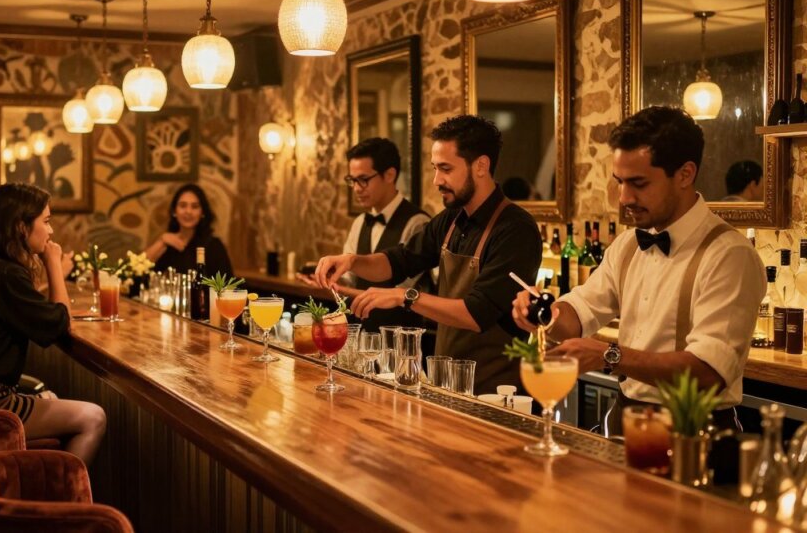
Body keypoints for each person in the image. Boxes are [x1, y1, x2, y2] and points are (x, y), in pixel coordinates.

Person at [512, 106, 765, 433]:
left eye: (639, 183)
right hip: (624, 421)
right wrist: (543, 313)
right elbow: (579, 311)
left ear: (685, 174)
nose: (624, 197)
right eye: (620, 182)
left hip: (693, 434)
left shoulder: (729, 255)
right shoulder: (629, 244)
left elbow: (708, 372)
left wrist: (609, 355)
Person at [315, 115, 542, 394]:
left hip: (494, 390)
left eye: (445, 169)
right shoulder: (450, 220)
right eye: (435, 168)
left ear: (481, 166)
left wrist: (405, 296)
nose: (436, 180)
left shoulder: (516, 230)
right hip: (446, 382)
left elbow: (475, 312)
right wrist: (352, 261)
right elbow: (398, 261)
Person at [0, 183, 105, 465]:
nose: (51, 231)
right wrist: (53, 265)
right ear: (20, 226)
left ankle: (37, 489)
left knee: (52, 398)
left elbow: (42, 315)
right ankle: (58, 504)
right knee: (93, 418)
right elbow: (59, 324)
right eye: (46, 221)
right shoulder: (5, 273)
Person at [300, 137, 430, 333]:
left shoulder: (417, 223)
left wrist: (336, 289)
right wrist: (328, 276)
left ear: (390, 175)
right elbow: (350, 279)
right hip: (360, 335)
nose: (357, 188)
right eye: (352, 180)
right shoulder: (360, 222)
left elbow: (399, 296)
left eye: (364, 179)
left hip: (398, 340)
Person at [145, 183, 233, 276]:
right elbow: (137, 271)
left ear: (202, 213)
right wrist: (161, 241)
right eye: (183, 206)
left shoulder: (214, 246)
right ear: (174, 211)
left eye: (194, 207)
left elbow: (226, 286)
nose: (188, 211)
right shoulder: (168, 243)